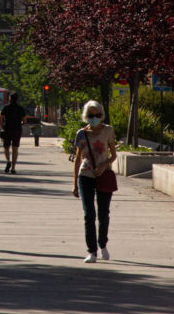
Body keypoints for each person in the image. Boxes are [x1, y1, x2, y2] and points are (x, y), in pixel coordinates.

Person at [72, 100, 118, 264]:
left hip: (104, 174)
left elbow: (113, 155)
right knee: (89, 214)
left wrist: (104, 164)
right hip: (85, 176)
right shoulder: (81, 134)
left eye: (97, 115)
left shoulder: (108, 131)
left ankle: (102, 244)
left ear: (101, 115)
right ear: (86, 116)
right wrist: (74, 184)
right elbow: (78, 159)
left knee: (103, 213)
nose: (94, 118)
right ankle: (92, 251)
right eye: (91, 115)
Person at [0, 92, 27, 173]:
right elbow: (24, 121)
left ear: (10, 99)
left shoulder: (6, 107)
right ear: (17, 99)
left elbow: (0, 118)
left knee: (6, 147)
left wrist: (3, 126)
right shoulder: (20, 108)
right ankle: (13, 168)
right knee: (15, 148)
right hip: (17, 129)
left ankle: (8, 161)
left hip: (7, 129)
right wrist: (21, 123)